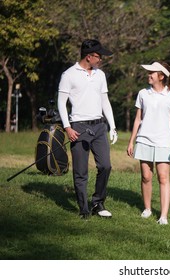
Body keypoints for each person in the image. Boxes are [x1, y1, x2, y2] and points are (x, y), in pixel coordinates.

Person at [57, 39, 118, 219]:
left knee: (105, 166)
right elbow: (62, 103)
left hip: (99, 126)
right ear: (89, 56)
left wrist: (112, 126)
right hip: (79, 127)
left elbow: (105, 101)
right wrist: (67, 127)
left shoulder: (100, 75)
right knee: (81, 171)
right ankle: (84, 209)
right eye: (99, 56)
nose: (101, 60)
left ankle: (98, 202)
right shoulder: (68, 75)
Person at [127, 61, 170, 225]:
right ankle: (147, 209)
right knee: (146, 176)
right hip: (144, 140)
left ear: (161, 76)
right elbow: (138, 119)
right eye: (148, 72)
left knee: (163, 178)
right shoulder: (143, 93)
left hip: (163, 142)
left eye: (152, 72)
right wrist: (131, 142)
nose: (148, 75)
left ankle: (163, 216)